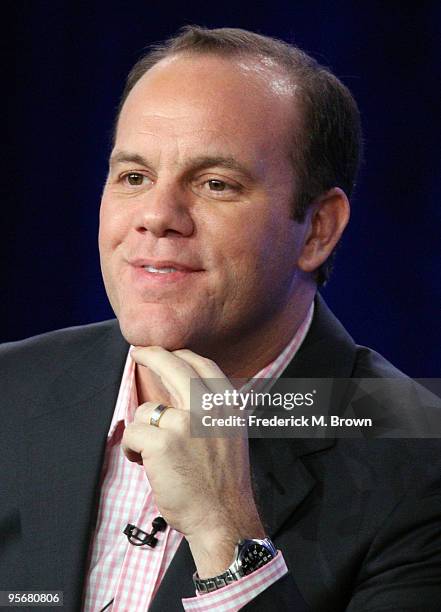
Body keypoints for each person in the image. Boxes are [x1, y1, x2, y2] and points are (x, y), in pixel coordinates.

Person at [1, 26, 440, 612]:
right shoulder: (11, 390)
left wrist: (225, 538)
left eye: (215, 184)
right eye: (134, 177)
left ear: (317, 229)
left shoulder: (420, 464)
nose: (157, 216)